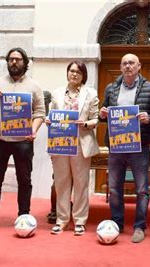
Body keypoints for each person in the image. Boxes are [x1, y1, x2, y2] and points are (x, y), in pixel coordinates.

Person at [0, 47, 46, 234]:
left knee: (24, 180)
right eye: (10, 59)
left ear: (25, 63)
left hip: (23, 140)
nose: (14, 62)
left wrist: (33, 130)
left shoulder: (34, 86)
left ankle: (24, 216)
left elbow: (40, 112)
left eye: (18, 59)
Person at [99, 53, 150, 243]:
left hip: (139, 146)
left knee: (142, 189)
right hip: (116, 146)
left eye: (131, 63)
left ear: (139, 66)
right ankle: (117, 224)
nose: (128, 66)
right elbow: (104, 115)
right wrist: (103, 114)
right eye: (125, 63)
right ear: (121, 67)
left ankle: (139, 226)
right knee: (114, 188)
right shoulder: (111, 88)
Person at [46, 60, 99, 236]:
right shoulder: (57, 93)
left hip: (80, 144)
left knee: (81, 184)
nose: (74, 74)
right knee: (61, 183)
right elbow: (51, 114)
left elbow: (96, 118)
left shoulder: (90, 94)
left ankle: (80, 221)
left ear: (83, 75)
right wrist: (48, 120)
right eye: (71, 71)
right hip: (60, 144)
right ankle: (61, 220)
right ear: (67, 73)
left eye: (78, 72)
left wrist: (84, 123)